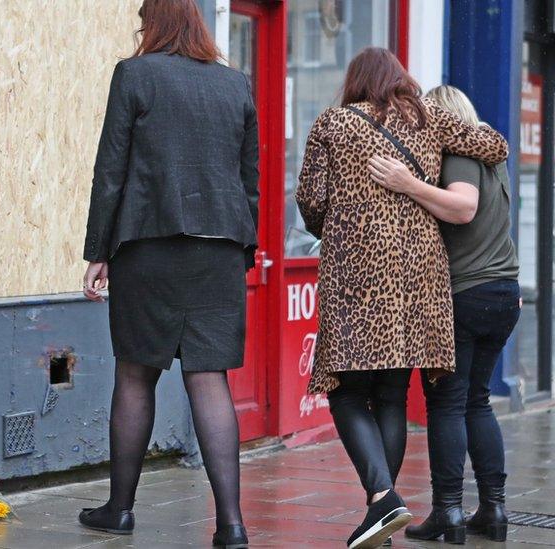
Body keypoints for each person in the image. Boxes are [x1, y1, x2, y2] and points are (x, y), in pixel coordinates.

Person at [296, 48, 509, 549]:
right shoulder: (429, 117)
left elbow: (310, 199)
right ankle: (382, 520)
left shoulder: (332, 123)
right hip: (421, 276)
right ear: (399, 80)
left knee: (346, 390)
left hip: (356, 273)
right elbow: (496, 145)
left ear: (355, 81)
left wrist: (336, 221)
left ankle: (382, 497)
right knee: (391, 393)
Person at [79, 1, 258, 547]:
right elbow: (249, 175)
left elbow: (111, 168)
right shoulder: (236, 86)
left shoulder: (135, 75)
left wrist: (97, 249)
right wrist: (242, 249)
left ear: (153, 24)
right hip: (219, 248)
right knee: (209, 378)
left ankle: (121, 510)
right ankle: (230, 526)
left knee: (135, 374)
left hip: (149, 243)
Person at [369, 85, 519, 544]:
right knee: (477, 401)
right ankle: (492, 510)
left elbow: (463, 207)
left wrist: (406, 183)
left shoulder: (458, 152)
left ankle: (448, 512)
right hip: (502, 292)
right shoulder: (494, 156)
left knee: (449, 404)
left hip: (465, 293)